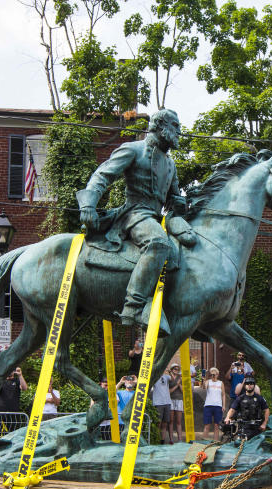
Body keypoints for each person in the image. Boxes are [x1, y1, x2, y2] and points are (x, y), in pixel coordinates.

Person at [77, 109, 193, 327]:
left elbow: (175, 199)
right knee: (158, 243)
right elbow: (103, 175)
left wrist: (180, 203)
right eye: (175, 126)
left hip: (155, 217)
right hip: (134, 215)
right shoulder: (133, 150)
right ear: (161, 126)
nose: (179, 131)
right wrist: (88, 204)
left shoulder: (170, 165)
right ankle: (134, 307)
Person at [223, 375, 269, 440]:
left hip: (257, 427)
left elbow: (266, 410)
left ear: (254, 385)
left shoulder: (259, 398)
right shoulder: (240, 398)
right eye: (247, 384)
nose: (249, 385)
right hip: (244, 427)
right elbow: (232, 410)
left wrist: (264, 423)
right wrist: (227, 417)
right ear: (244, 386)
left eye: (251, 383)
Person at [203, 367, 225, 440]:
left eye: (214, 374)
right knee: (207, 425)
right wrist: (205, 378)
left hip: (218, 406)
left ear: (217, 374)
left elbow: (223, 394)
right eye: (211, 374)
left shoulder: (221, 383)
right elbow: (204, 387)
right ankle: (204, 442)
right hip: (208, 405)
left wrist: (224, 405)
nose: (213, 375)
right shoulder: (208, 381)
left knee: (217, 425)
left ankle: (215, 442)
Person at [151, 371, 173, 443]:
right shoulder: (154, 377)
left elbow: (173, 379)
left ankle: (162, 440)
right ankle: (156, 439)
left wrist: (170, 372)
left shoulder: (166, 376)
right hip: (158, 402)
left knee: (165, 423)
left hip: (167, 402)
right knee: (158, 423)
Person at [168, 363, 184, 443]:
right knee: (170, 420)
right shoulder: (169, 378)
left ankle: (180, 439)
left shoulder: (180, 378)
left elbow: (183, 391)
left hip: (179, 400)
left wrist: (179, 385)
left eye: (178, 369)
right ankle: (171, 439)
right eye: (175, 369)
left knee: (178, 421)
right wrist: (176, 385)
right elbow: (169, 391)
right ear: (171, 369)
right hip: (170, 400)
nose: (176, 370)